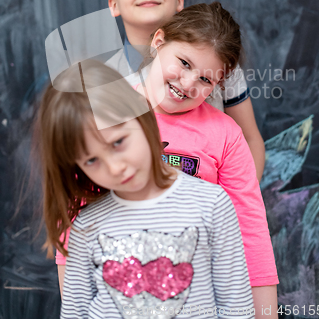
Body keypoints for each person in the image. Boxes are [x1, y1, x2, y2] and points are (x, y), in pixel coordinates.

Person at [37, 61, 254, 319]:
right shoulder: (86, 228)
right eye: (91, 160)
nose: (115, 167)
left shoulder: (212, 205)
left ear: (141, 115)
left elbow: (237, 308)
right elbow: (75, 313)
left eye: (118, 142)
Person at [135, 2, 278, 319]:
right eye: (184, 63)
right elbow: (75, 220)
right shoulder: (109, 113)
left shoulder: (226, 136)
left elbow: (251, 234)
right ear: (159, 42)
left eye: (206, 80)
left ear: (219, 86)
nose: (187, 83)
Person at [106, 0, 265, 180]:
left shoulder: (221, 65)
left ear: (180, 0)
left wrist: (235, 205)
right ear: (114, 4)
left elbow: (250, 139)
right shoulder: (102, 77)